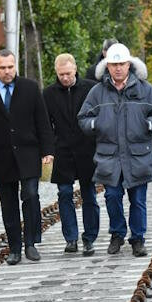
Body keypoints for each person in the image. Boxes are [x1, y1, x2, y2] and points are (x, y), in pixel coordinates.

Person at [77, 43, 152, 257]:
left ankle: (138, 238)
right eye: (113, 64)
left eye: (122, 64)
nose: (118, 68)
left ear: (129, 65)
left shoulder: (145, 89)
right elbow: (83, 117)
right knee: (112, 196)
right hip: (109, 157)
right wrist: (95, 125)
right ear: (107, 66)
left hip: (138, 155)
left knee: (138, 199)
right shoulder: (98, 92)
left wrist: (149, 125)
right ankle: (117, 234)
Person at [0, 49, 55, 265]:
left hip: (28, 152)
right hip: (2, 155)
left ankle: (30, 244)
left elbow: (42, 120)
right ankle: (15, 248)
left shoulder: (30, 87)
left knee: (30, 195)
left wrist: (48, 150)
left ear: (15, 66)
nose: (7, 71)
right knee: (8, 204)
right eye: (2, 68)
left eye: (10, 67)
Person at [43, 53, 100, 256]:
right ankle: (71, 238)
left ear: (75, 69)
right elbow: (45, 125)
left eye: (68, 73)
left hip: (87, 148)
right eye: (61, 75)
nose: (65, 78)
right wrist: (48, 149)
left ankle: (90, 237)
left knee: (89, 193)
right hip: (63, 149)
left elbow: (99, 116)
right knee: (65, 193)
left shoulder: (91, 88)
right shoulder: (48, 94)